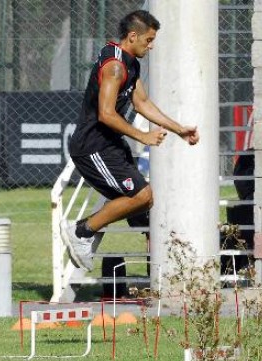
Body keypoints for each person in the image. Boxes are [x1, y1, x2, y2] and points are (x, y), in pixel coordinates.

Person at [62, 10, 200, 270]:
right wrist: (143, 135)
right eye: (148, 40)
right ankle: (81, 232)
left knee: (145, 202)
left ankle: (92, 232)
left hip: (110, 145)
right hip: (93, 147)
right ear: (133, 36)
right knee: (140, 196)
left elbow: (142, 103)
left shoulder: (130, 63)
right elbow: (105, 113)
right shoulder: (114, 66)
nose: (152, 45)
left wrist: (179, 129)